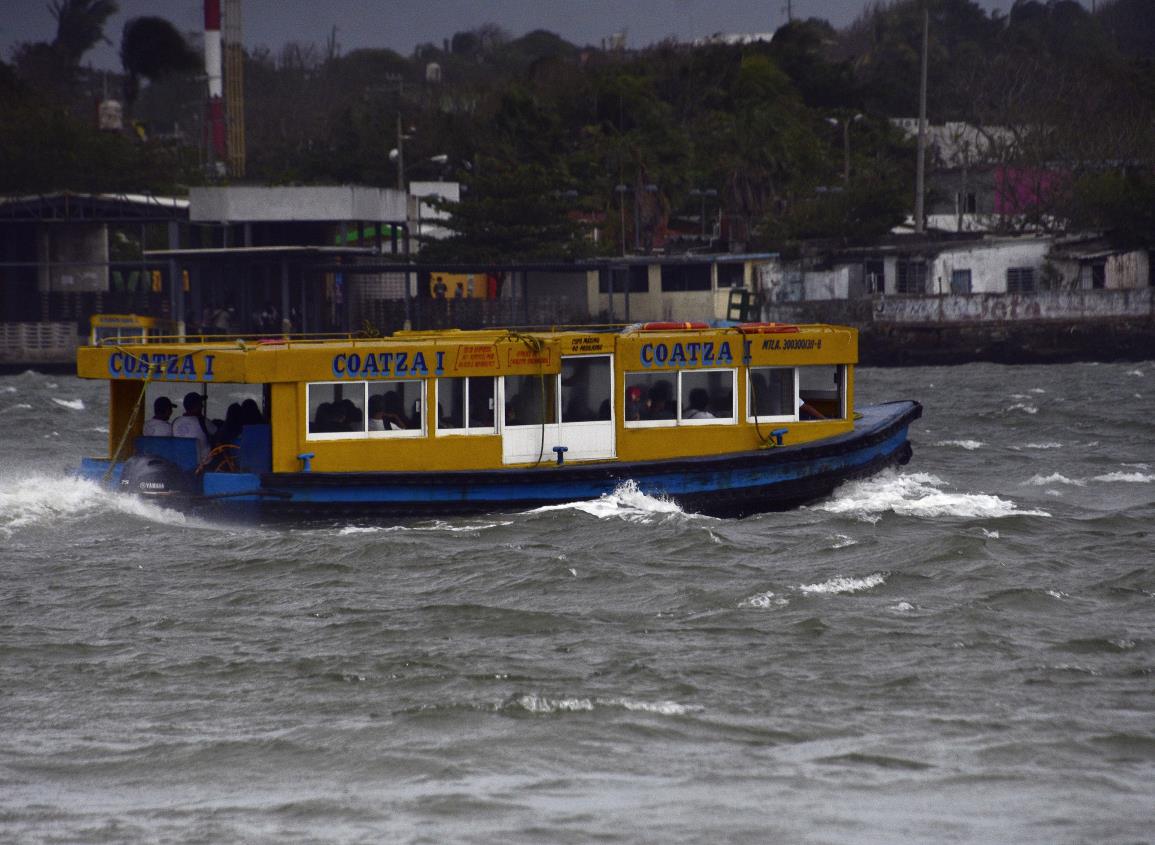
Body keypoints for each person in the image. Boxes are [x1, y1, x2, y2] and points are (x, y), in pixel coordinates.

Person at [172, 391, 217, 462]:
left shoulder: (176, 421)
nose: (202, 406)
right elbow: (217, 433)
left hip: (181, 463)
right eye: (200, 404)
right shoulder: (203, 421)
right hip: (203, 465)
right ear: (196, 407)